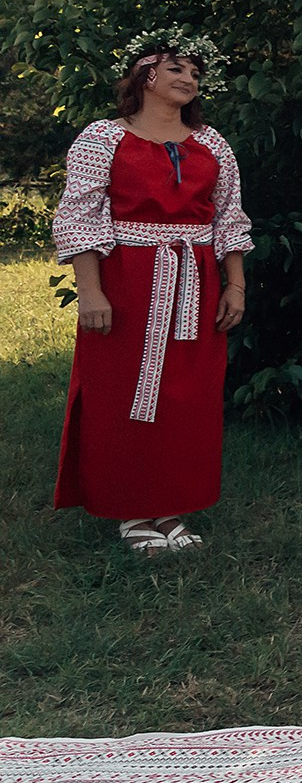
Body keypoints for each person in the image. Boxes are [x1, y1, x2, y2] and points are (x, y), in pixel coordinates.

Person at [51, 30, 251, 553]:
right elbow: (79, 215)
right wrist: (91, 293)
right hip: (128, 280)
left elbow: (228, 218)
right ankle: (131, 511)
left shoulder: (212, 144)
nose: (189, 78)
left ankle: (169, 507)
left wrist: (235, 285)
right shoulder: (102, 138)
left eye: (195, 73)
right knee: (124, 393)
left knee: (188, 395)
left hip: (197, 285)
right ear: (145, 75)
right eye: (177, 69)